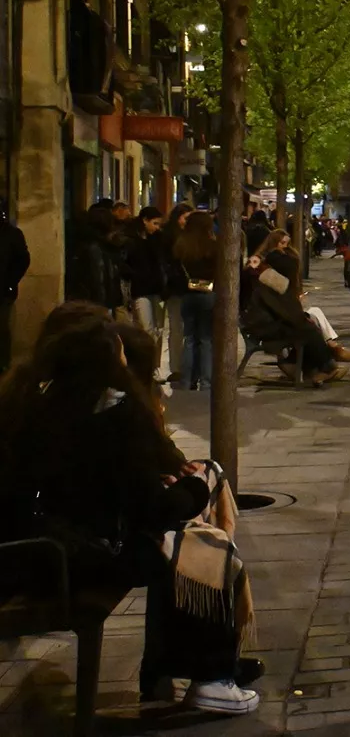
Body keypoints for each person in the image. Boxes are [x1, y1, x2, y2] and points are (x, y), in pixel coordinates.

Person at [0, 305, 262, 714]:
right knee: (197, 545)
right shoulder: (115, 413)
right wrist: (201, 484)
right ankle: (211, 677)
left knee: (174, 543)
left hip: (31, 552)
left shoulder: (34, 400)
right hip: (77, 559)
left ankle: (168, 672)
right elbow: (152, 510)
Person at [241, 249, 345, 386]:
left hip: (269, 323)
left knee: (309, 325)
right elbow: (285, 312)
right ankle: (326, 367)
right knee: (309, 330)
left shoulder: (272, 281)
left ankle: (312, 367)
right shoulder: (272, 283)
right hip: (263, 328)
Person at [171, 212, 218, 391]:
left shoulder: (181, 246)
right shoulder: (213, 247)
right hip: (208, 294)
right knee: (206, 340)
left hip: (188, 294)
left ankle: (186, 381)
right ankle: (206, 382)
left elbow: (173, 270)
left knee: (189, 338)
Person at [66, 204, 126, 314]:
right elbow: (98, 279)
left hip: (99, 303)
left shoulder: (97, 246)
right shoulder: (95, 248)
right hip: (99, 304)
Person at [159, 203, 194, 384]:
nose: (187, 222)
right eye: (185, 218)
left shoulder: (185, 236)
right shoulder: (171, 237)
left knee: (180, 329)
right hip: (176, 288)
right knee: (176, 328)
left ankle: (180, 367)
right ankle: (177, 367)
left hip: (184, 288)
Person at [124, 206, 168, 344]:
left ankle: (154, 361)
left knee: (158, 330)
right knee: (146, 328)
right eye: (154, 223)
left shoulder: (158, 239)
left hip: (157, 289)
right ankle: (147, 361)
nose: (157, 228)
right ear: (144, 221)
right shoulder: (130, 239)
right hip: (140, 289)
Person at [0, 200, 30, 372]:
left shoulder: (12, 234)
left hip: (3, 291)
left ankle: (3, 364)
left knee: (2, 328)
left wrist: (10, 283)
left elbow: (22, 260)